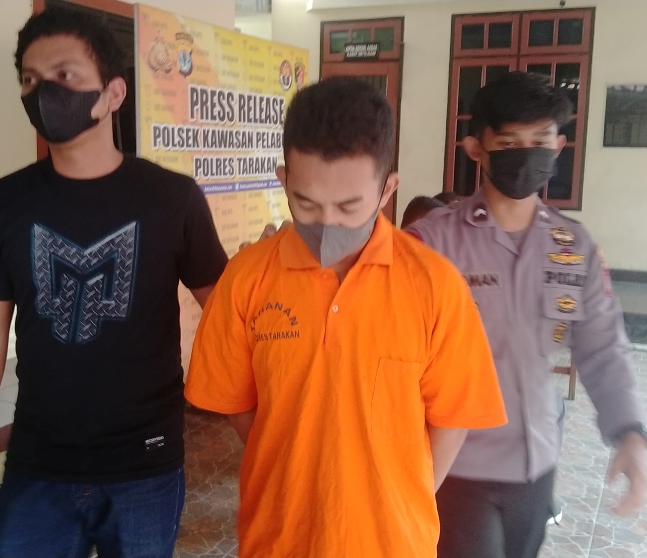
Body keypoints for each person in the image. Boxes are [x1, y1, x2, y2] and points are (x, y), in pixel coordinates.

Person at [0, 9, 229, 557]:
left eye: (65, 75)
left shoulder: (172, 199)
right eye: (30, 79)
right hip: (38, 464)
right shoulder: (4, 205)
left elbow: (226, 312)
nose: (44, 92)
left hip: (145, 464)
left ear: (113, 93)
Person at [183, 77, 508, 557]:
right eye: (306, 203)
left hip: (395, 543)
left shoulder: (434, 286)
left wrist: (402, 494)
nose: (328, 223)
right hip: (279, 539)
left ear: (387, 189)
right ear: (284, 180)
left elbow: (452, 417)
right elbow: (234, 401)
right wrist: (291, 459)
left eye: (349, 206)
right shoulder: (247, 278)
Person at [407, 71, 647, 558]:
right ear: (476, 149)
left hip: (536, 463)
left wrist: (629, 431)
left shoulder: (573, 245)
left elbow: (602, 345)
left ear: (558, 147)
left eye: (540, 141)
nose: (527, 153)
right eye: (509, 142)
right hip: (455, 466)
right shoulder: (432, 243)